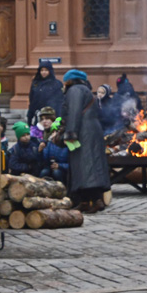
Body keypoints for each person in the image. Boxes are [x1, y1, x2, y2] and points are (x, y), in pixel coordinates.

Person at [61, 69, 111, 212]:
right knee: (89, 167)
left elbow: (74, 112)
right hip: (90, 131)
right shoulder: (85, 90)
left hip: (83, 132)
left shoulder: (75, 90)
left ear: (70, 80)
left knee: (85, 167)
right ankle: (86, 200)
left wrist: (70, 133)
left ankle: (94, 200)